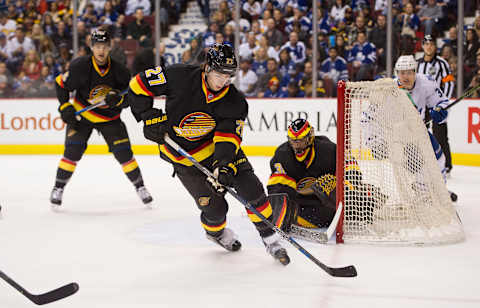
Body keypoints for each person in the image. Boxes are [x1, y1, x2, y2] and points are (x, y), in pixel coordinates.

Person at [127, 43, 290, 265]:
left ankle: (271, 239)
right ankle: (216, 234)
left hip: (216, 151)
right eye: (219, 74)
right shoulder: (179, 76)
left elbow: (228, 136)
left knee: (252, 190)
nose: (224, 81)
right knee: (215, 209)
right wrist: (148, 115)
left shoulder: (234, 101)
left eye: (229, 76)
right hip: (182, 156)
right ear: (207, 67)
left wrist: (223, 165)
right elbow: (137, 85)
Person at [51, 30, 153, 207]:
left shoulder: (120, 70)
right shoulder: (79, 67)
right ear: (91, 47)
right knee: (72, 152)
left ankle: (140, 187)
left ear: (110, 47)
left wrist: (119, 100)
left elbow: (130, 97)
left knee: (124, 154)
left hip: (110, 119)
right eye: (97, 46)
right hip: (82, 116)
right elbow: (61, 84)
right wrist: (65, 106)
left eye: (104, 46)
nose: (101, 50)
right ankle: (58, 188)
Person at [267, 119, 386, 235]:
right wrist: (282, 205)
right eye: (293, 141)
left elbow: (350, 164)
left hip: (326, 201)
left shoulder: (327, 149)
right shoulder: (282, 155)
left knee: (338, 192)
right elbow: (277, 186)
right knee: (279, 187)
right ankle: (283, 214)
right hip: (302, 201)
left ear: (310, 138)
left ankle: (366, 195)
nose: (296, 146)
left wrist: (347, 184)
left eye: (301, 141)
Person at [395, 55, 457, 201]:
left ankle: (437, 190)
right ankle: (425, 191)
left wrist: (440, 112)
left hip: (418, 131)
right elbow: (370, 116)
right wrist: (374, 140)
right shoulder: (389, 89)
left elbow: (442, 102)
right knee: (422, 163)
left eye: (410, 72)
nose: (406, 76)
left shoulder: (426, 83)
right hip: (396, 135)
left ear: (415, 72)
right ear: (397, 73)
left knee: (439, 158)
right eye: (402, 73)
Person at [417, 35, 454, 176]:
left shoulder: (441, 63)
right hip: (421, 105)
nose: (429, 46)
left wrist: (443, 103)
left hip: (436, 104)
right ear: (422, 46)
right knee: (420, 134)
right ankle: (423, 164)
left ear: (435, 46)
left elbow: (449, 81)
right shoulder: (417, 64)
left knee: (440, 135)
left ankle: (447, 166)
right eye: (426, 44)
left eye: (431, 44)